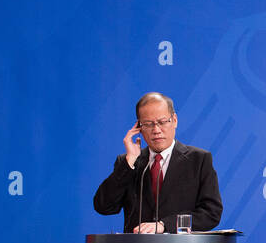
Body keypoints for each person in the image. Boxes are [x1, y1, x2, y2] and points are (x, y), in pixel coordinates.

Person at [94, 92, 223, 233]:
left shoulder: (198, 160)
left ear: (174, 120)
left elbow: (211, 213)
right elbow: (104, 206)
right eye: (148, 124)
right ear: (139, 128)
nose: (156, 130)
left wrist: (164, 225)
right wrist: (129, 162)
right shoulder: (128, 163)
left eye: (162, 122)